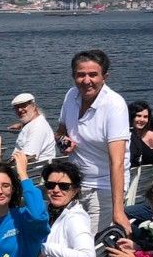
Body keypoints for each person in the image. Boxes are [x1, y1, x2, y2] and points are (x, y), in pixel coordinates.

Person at [56, 49, 131, 234]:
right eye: (81, 75)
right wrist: (62, 141)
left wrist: (118, 210)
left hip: (104, 188)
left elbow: (118, 161)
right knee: (68, 237)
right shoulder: (71, 96)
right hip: (74, 184)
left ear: (105, 77)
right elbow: (60, 131)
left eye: (93, 75)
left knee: (90, 245)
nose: (86, 80)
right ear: (73, 76)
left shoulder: (114, 105)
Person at [39, 160, 97, 257]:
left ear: (75, 190)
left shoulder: (75, 218)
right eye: (50, 185)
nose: (56, 190)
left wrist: (44, 248)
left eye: (64, 186)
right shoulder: (47, 209)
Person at [10, 93, 56, 161]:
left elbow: (28, 158)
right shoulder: (33, 122)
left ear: (34, 106)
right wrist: (21, 125)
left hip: (33, 170)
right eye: (17, 107)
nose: (20, 110)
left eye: (23, 106)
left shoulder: (38, 128)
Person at [128, 101, 153, 167]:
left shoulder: (150, 135)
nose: (142, 119)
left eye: (145, 117)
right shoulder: (126, 133)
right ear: (131, 116)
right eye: (138, 116)